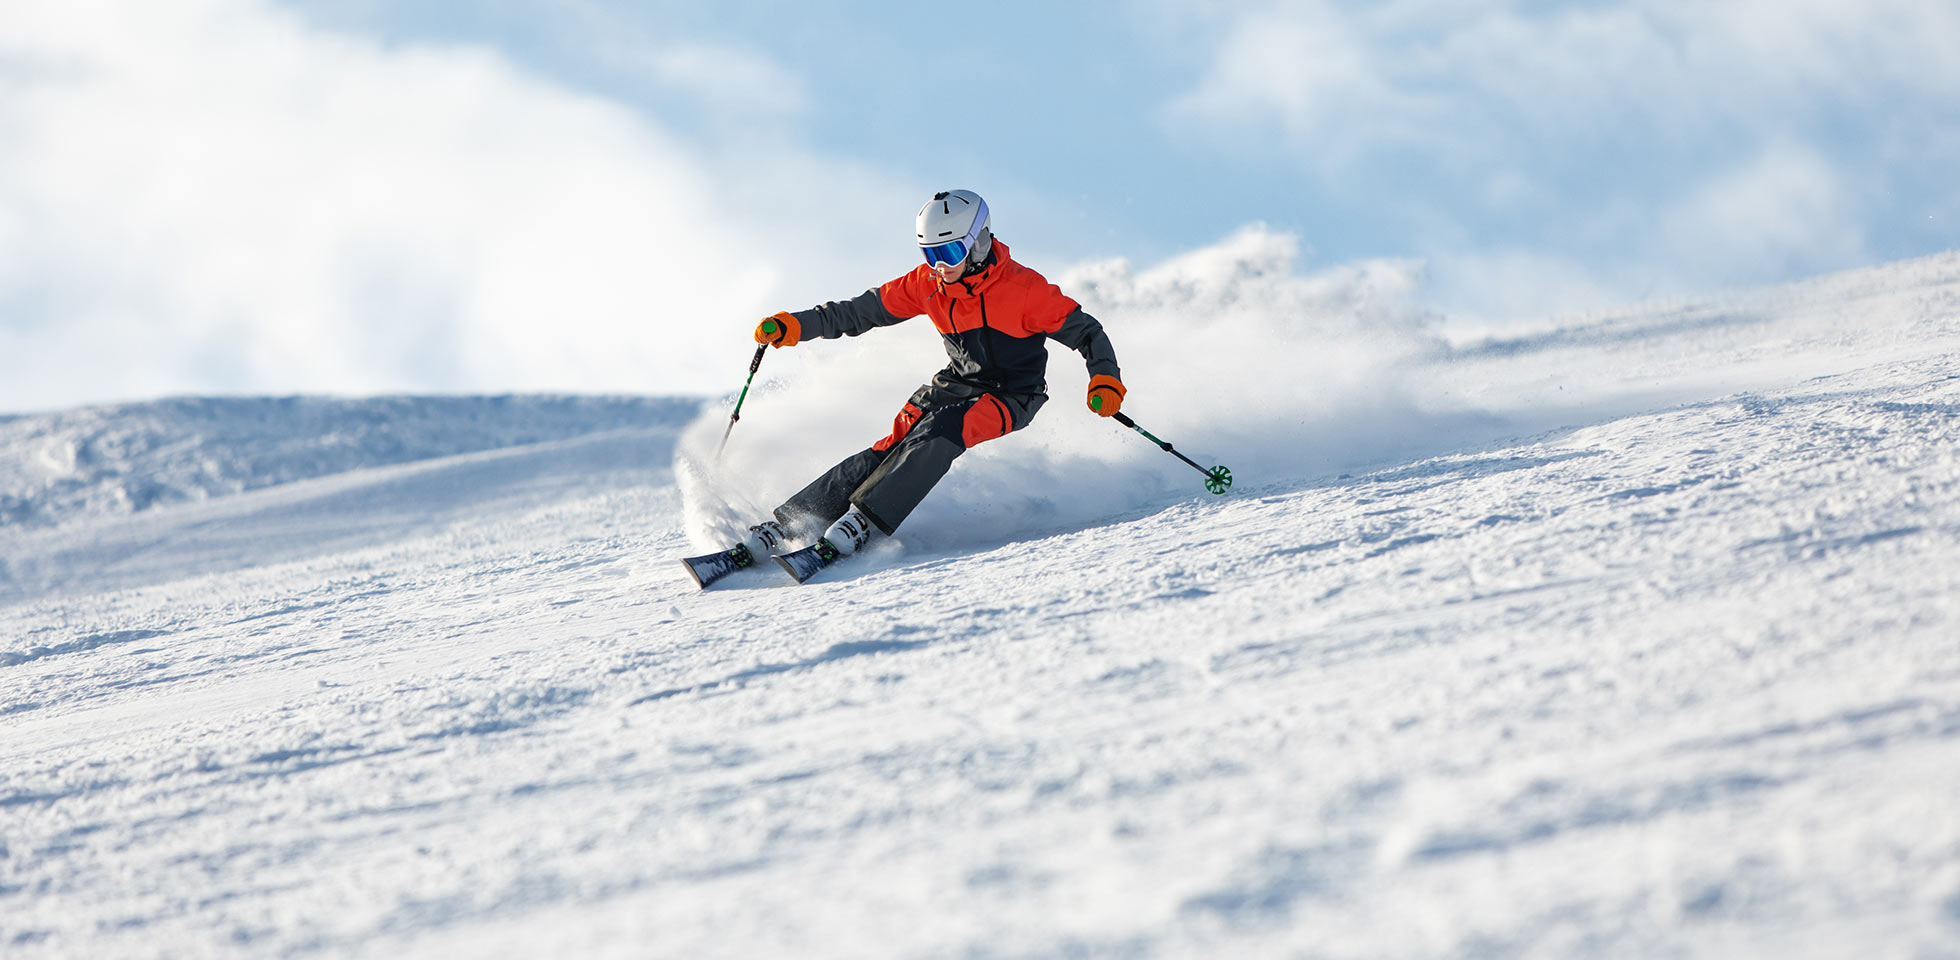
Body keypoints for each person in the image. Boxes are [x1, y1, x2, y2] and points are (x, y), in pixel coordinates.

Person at [732, 189, 1126, 564]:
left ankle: (864, 522)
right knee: (894, 444)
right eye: (930, 254)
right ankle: (793, 523)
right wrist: (795, 326)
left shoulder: (1025, 290)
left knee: (941, 431)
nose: (940, 266)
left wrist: (1105, 379)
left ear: (979, 242)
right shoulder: (928, 284)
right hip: (956, 382)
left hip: (1012, 395)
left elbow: (1088, 332)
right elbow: (856, 313)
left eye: (950, 252)